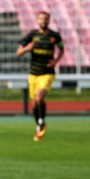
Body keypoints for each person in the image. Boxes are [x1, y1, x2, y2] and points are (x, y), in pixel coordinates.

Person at [16, 11, 65, 141]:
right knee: (34, 104)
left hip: (47, 73)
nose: (43, 21)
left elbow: (62, 49)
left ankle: (41, 122)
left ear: (49, 20)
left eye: (46, 19)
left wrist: (56, 61)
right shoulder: (32, 35)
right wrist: (27, 48)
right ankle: (39, 123)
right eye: (41, 18)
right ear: (38, 20)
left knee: (39, 98)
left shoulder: (54, 36)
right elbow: (18, 52)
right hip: (34, 74)